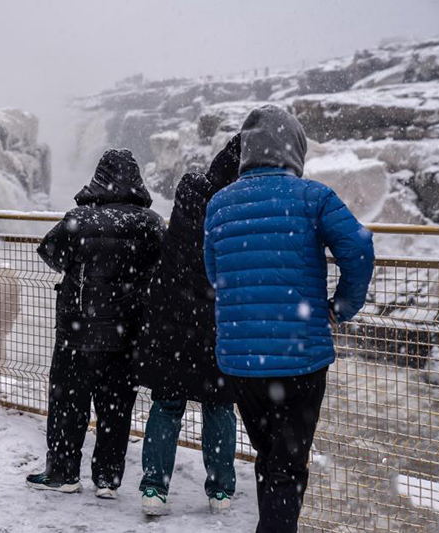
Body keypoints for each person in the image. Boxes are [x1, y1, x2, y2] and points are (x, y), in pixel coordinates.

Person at [204, 105, 375, 533]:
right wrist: (342, 306)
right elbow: (358, 249)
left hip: (242, 362)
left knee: (271, 460)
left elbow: (214, 272)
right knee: (289, 465)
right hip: (300, 359)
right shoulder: (313, 197)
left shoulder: (219, 204)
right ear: (295, 150)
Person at [26, 149, 165, 498]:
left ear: (100, 177)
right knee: (116, 409)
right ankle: (107, 479)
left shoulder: (80, 219)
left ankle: (63, 472)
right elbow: (161, 269)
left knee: (68, 406)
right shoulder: (151, 222)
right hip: (127, 333)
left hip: (79, 332)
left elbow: (50, 254)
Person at [135, 134, 241, 516]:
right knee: (219, 406)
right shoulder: (240, 205)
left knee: (167, 404)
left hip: (173, 321)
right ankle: (220, 491)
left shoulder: (191, 191)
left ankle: (153, 489)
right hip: (218, 323)